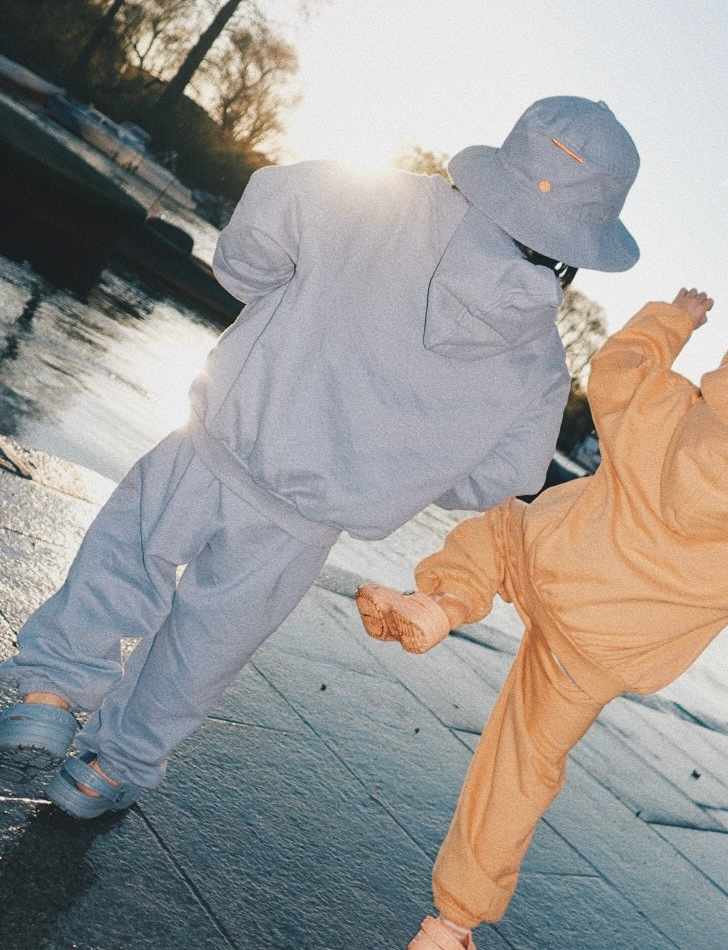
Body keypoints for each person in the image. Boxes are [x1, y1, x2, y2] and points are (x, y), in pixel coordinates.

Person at [0, 96, 642, 816]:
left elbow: (257, 228)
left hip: (218, 439)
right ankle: (107, 770)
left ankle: (50, 693)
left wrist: (270, 299)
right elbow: (500, 477)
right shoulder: (539, 361)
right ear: (582, 238)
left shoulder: (380, 199)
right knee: (202, 650)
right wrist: (403, 463)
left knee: (126, 557)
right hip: (303, 525)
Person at [356, 289, 728, 950]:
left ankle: (444, 601)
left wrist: (676, 317)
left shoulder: (664, 408)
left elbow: (617, 361)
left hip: (549, 560)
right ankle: (448, 928)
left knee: (498, 530)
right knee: (521, 767)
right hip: (594, 656)